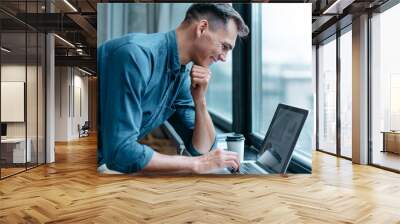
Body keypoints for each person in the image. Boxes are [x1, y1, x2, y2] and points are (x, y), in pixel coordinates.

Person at [97, 3, 249, 174]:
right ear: (202, 28)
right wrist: (196, 164)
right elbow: (120, 152)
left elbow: (203, 149)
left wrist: (200, 100)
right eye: (225, 46)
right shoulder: (135, 55)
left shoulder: (181, 75)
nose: (224, 57)